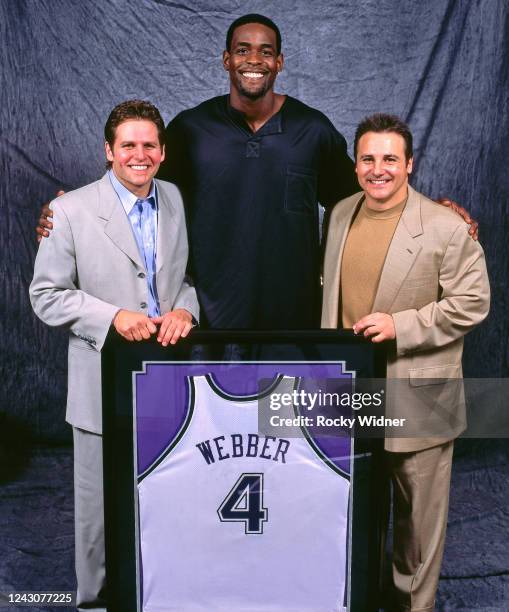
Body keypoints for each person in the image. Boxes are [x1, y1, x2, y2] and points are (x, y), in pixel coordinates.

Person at [36, 14, 477, 330]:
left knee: (284, 437)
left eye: (266, 52)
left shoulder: (312, 129)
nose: (254, 60)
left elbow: (366, 197)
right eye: (243, 50)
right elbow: (135, 178)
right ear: (226, 59)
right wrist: (71, 214)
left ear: (280, 63)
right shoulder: (191, 129)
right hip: (204, 312)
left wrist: (433, 212)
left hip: (295, 314)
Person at [29, 99, 199, 611]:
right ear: (109, 151)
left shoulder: (173, 199)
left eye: (149, 145)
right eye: (128, 145)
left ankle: (158, 594)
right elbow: (46, 295)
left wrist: (186, 313)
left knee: (165, 494)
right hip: (100, 380)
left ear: (163, 153)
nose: (139, 154)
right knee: (98, 512)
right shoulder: (69, 210)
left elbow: (183, 281)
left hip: (165, 380)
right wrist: (112, 317)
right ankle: (93, 602)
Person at [321, 113, 490, 611]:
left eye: (390, 159)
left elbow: (473, 303)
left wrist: (402, 326)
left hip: (418, 394)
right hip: (350, 393)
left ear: (410, 164)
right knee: (353, 513)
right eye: (368, 159)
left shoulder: (445, 226)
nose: (379, 169)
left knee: (417, 530)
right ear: (355, 166)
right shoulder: (339, 214)